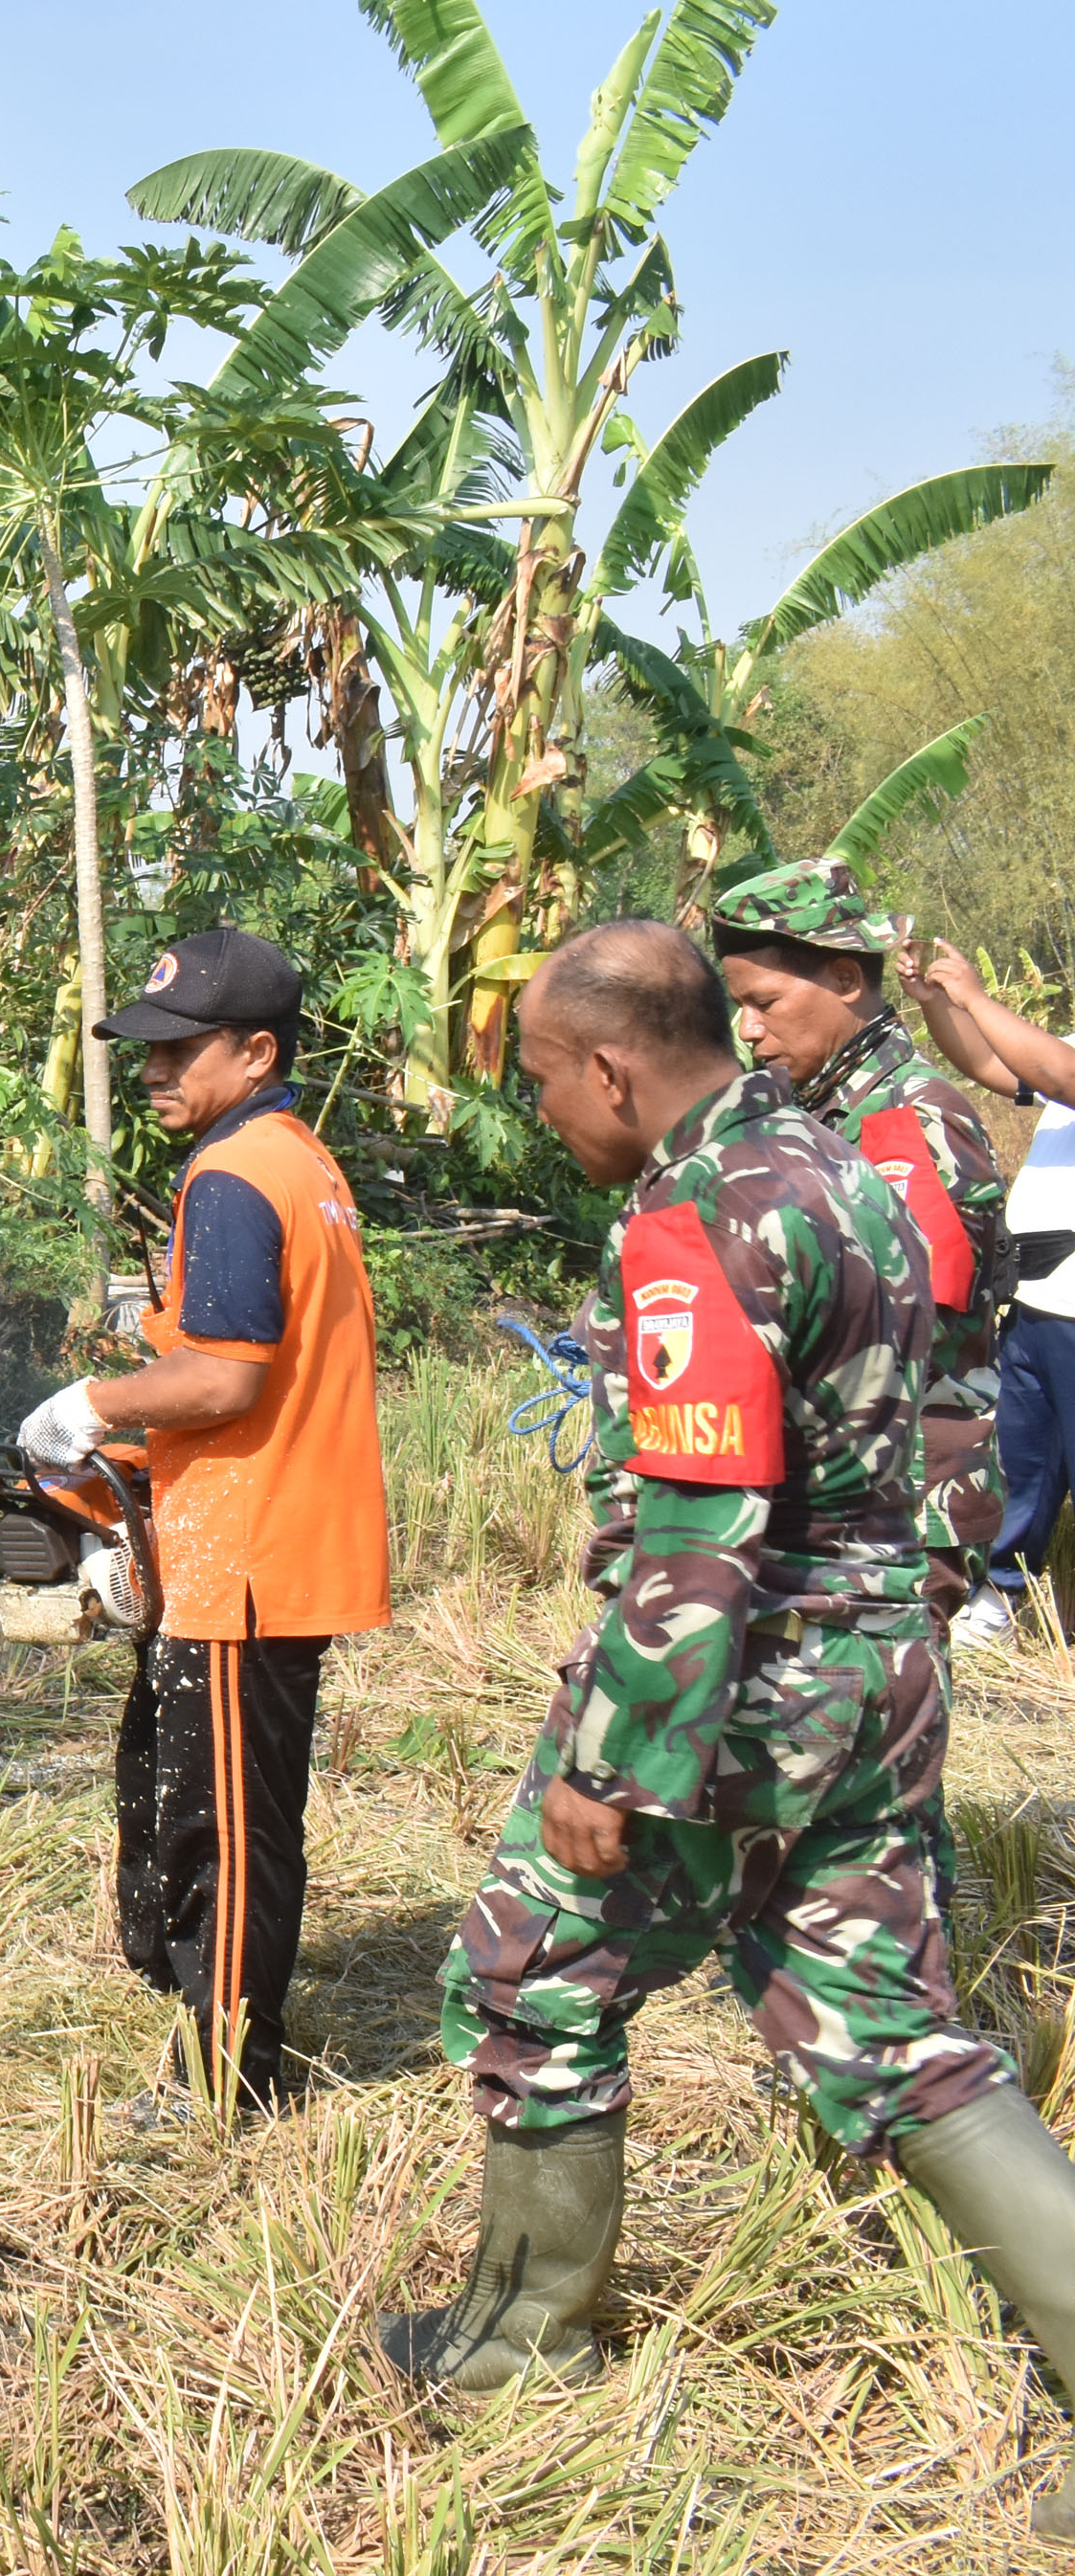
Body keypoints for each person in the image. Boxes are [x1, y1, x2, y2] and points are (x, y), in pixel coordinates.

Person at [388, 922, 1075, 2546]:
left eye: (550, 1077)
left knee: (530, 1967)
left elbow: (702, 1532)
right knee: (893, 2031)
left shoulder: (698, 1213)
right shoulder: (845, 1166)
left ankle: (518, 2349)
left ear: (615, 1066)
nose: (551, 1110)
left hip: (748, 1687)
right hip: (882, 1671)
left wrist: (613, 1764)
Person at [14, 928, 388, 2117]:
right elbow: (242, 1358)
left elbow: (228, 1381)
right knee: (194, 1792)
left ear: (257, 1050)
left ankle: (225, 2079)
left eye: (182, 1052)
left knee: (223, 1824)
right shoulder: (296, 1160)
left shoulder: (231, 1176)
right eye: (146, 1052)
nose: (156, 1073)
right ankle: (186, 1994)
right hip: (261, 1529)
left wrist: (89, 1406)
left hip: (254, 1548)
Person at [709, 857, 1007, 1646]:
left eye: (764, 1002)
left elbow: (908, 1330)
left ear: (845, 978)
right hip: (847, 1494)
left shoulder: (905, 1120)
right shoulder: (812, 1114)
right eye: (741, 1006)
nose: (748, 1028)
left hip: (896, 1507)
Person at [905, 941, 1075, 1639]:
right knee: (1022, 1463)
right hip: (1041, 1303)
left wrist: (974, 994)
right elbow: (988, 1064)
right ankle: (1000, 1597)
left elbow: (1062, 1074)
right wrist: (939, 1004)